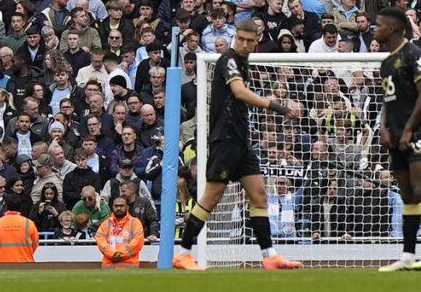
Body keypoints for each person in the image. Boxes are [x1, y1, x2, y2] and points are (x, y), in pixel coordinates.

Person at [173, 15, 304, 270]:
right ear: (235, 38)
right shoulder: (229, 59)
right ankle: (183, 253)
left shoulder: (243, 62)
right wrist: (277, 106)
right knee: (211, 198)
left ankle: (270, 256)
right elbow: (239, 92)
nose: (243, 44)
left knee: (259, 195)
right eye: (240, 39)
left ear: (256, 41)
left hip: (242, 141)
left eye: (248, 40)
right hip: (225, 140)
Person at [377, 7, 421, 270]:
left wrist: (410, 130)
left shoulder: (414, 54)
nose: (375, 29)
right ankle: (407, 255)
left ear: (392, 28)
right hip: (396, 134)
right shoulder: (386, 63)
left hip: (419, 132)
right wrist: (382, 127)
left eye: (379, 25)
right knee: (407, 193)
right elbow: (387, 101)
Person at [94, 195, 143, 266]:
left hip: (129, 266)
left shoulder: (135, 223)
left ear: (127, 207)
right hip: (109, 266)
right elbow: (100, 241)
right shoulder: (106, 223)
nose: (118, 208)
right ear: (112, 207)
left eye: (121, 206)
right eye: (116, 206)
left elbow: (137, 242)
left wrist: (120, 255)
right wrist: (113, 254)